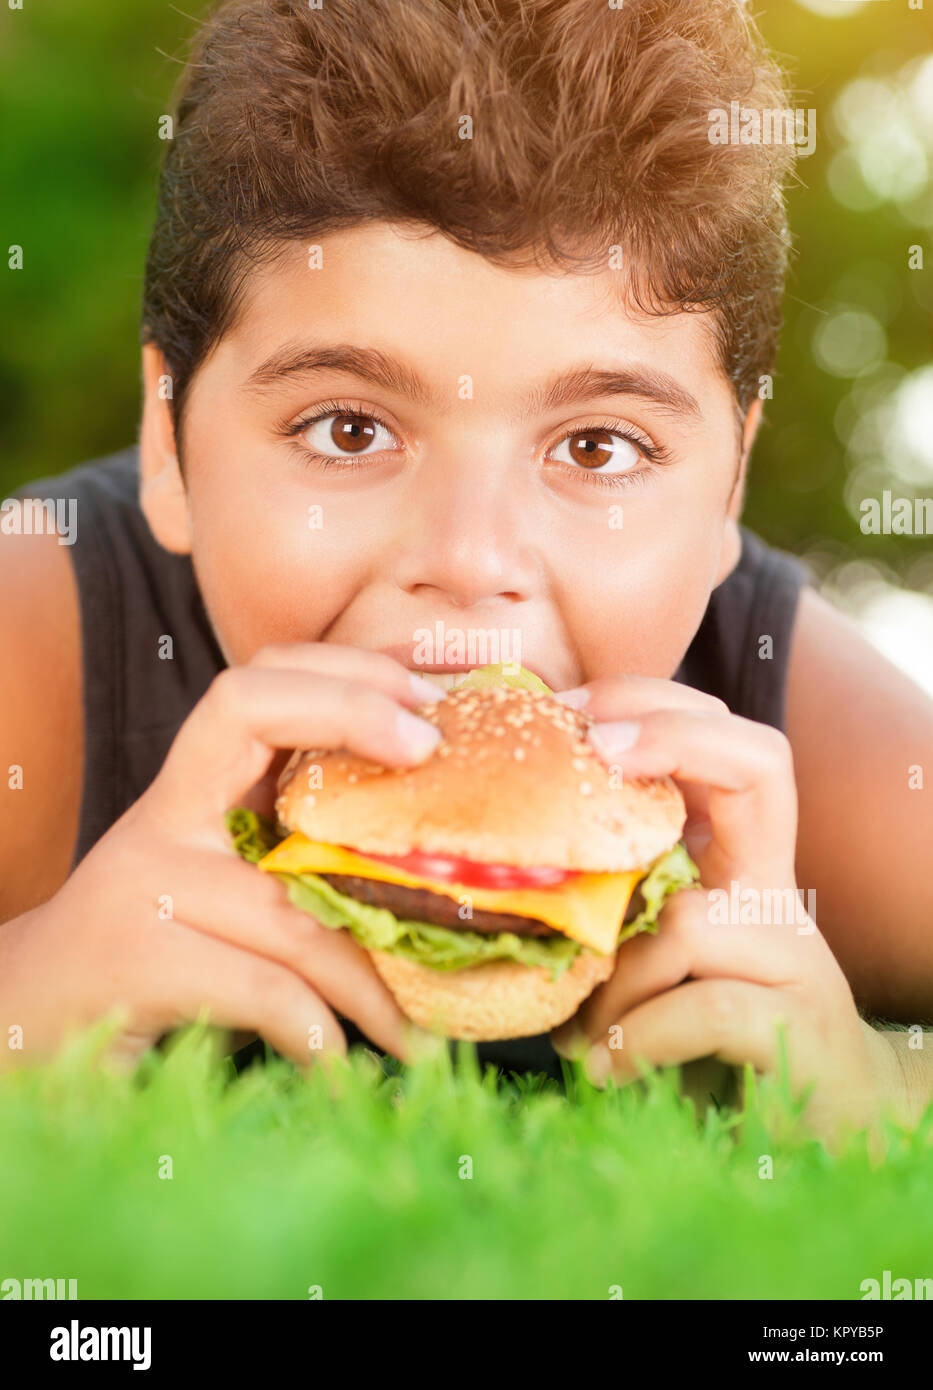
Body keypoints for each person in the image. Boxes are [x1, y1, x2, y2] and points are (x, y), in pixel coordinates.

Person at [2, 0, 931, 1146]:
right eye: (347, 430)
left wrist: (884, 1090)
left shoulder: (782, 712)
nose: (471, 563)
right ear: (169, 443)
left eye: (599, 448)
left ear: (727, 489)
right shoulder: (38, 639)